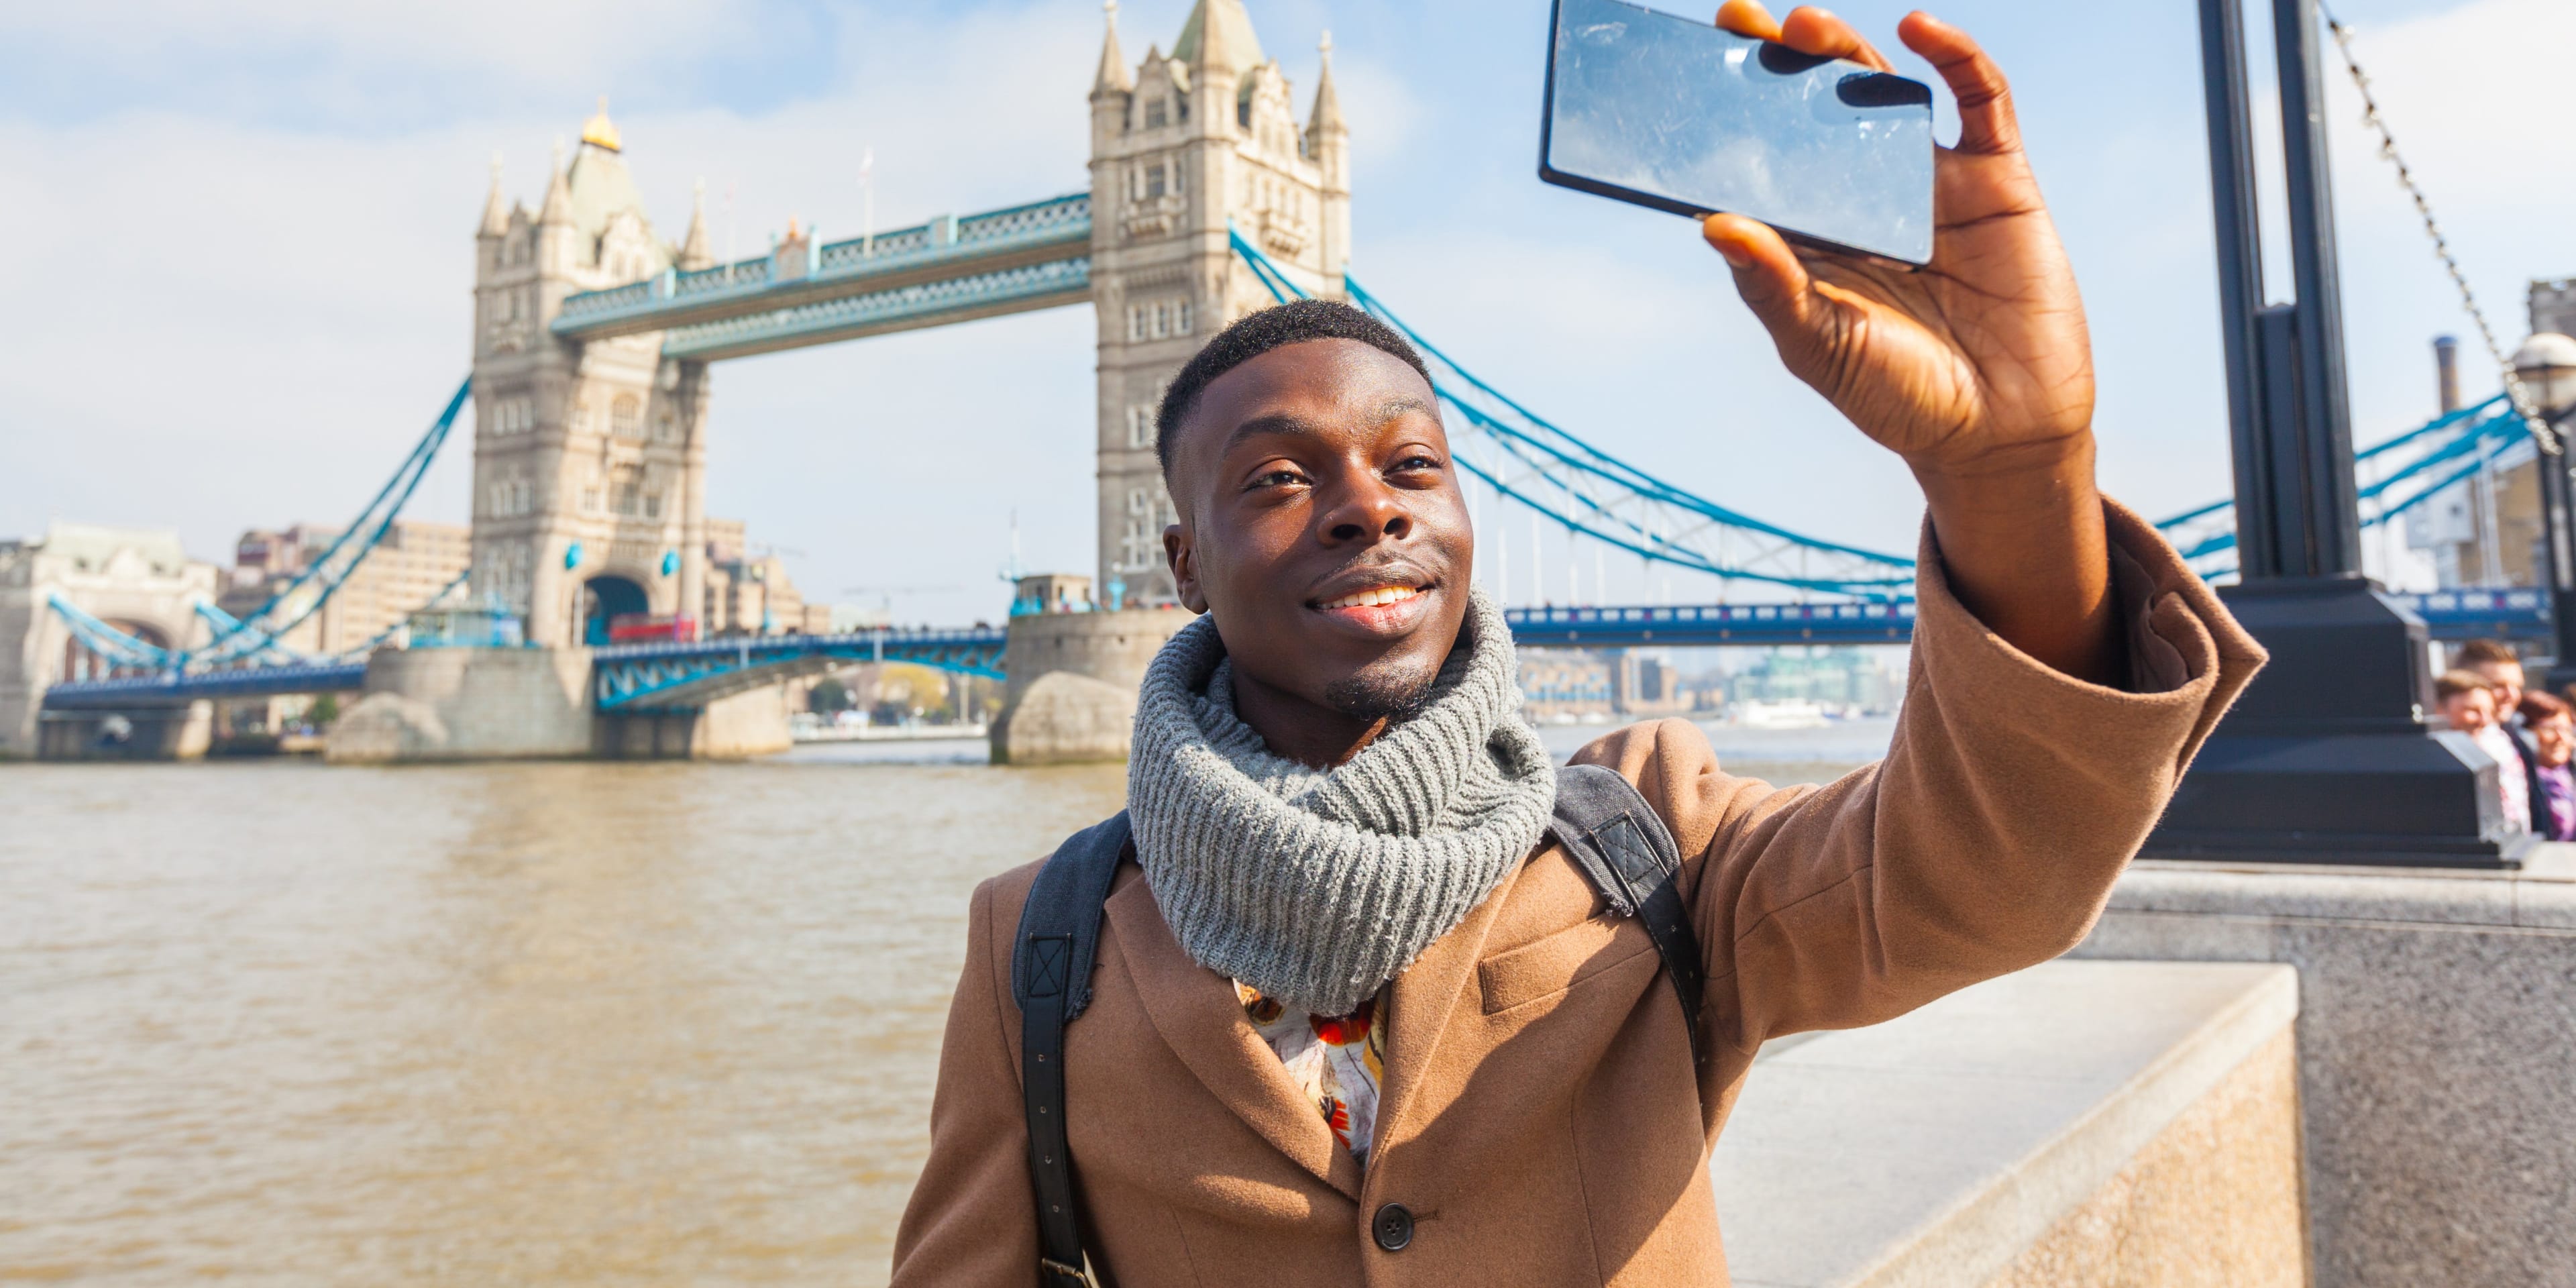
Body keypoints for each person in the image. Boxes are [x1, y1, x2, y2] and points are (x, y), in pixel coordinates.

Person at [890, 6, 2265, 1284]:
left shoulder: (1651, 838)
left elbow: (1992, 878)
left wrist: (2018, 476)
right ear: (1180, 562)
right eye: (1276, 478)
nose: (1369, 505)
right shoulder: (1041, 939)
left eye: (1412, 464)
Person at [2456, 639, 2540, 833]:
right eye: (2498, 686)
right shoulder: (2454, 745)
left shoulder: (2512, 737)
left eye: (2517, 686)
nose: (2512, 695)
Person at [2436, 667, 2528, 834]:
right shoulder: (2432, 764)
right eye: (2472, 710)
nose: (2484, 720)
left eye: (2489, 711)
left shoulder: (2502, 746)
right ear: (2438, 709)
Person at [2517, 691, 2576, 842]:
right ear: (2525, 734)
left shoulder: (2570, 775)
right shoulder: (2518, 783)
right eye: (2550, 729)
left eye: (2566, 729)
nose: (2561, 738)